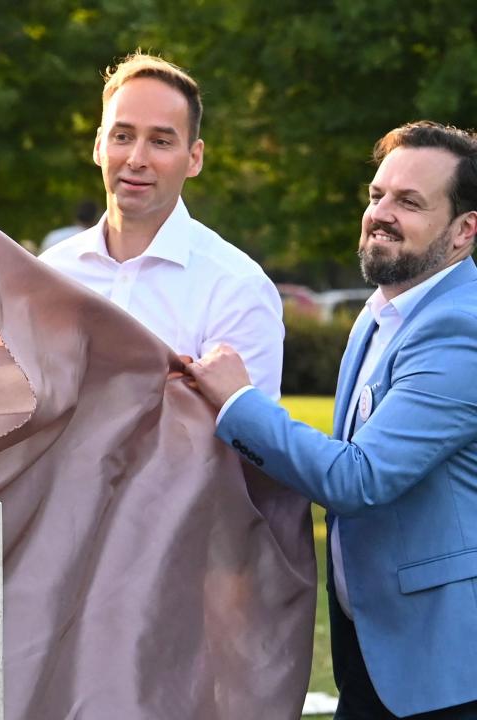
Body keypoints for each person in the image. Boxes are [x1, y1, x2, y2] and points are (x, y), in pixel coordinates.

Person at [185, 121, 477, 719]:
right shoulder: (381, 313)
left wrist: (238, 402)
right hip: (373, 651)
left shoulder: (459, 329)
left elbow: (358, 479)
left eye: (410, 202)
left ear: (464, 231)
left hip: (447, 672)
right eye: (377, 196)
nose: (382, 214)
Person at [40, 52, 283, 399]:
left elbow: (249, 445)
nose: (136, 159)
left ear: (194, 158)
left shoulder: (237, 289)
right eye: (122, 136)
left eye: (160, 141)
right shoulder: (51, 274)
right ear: (98, 146)